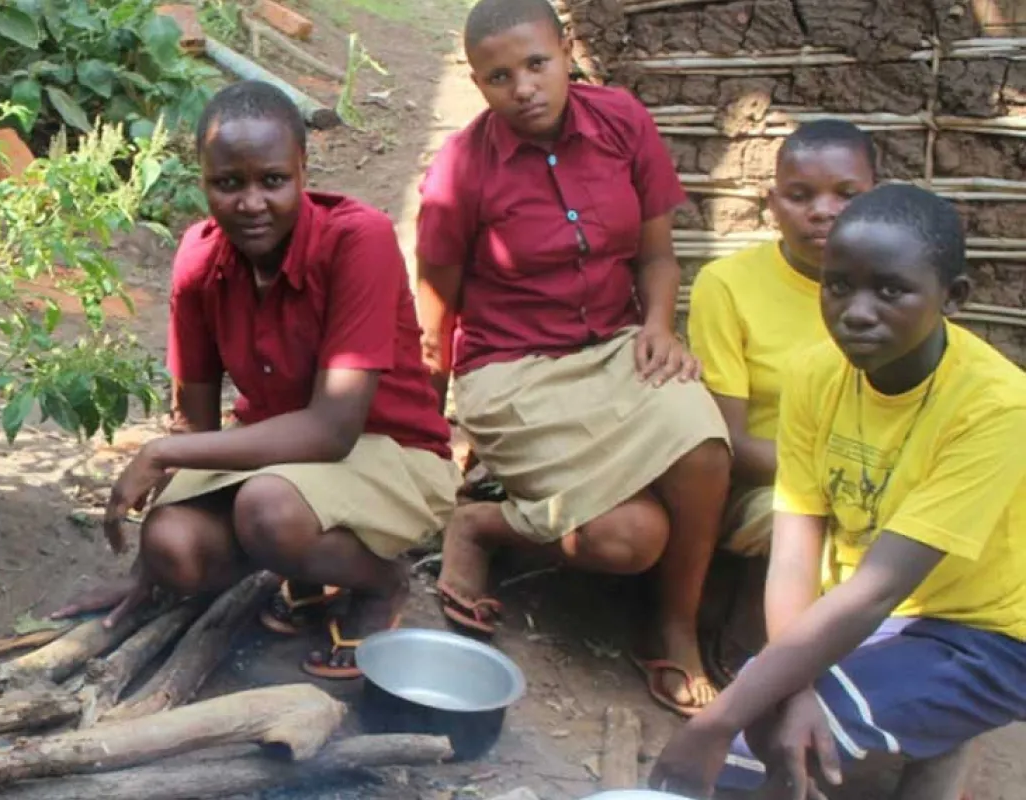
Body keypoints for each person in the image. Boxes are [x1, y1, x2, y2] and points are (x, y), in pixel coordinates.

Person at [50, 81, 460, 679]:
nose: (251, 203)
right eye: (228, 183)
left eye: (272, 180)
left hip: (391, 455)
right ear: (203, 180)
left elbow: (334, 429)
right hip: (277, 462)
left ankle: (378, 581)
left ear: (303, 170)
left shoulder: (358, 241)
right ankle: (302, 567)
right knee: (173, 548)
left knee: (267, 512)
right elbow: (195, 419)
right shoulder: (200, 259)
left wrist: (164, 453)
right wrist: (147, 572)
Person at [650, 184, 1026, 800]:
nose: (855, 311)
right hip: (876, 616)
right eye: (838, 284)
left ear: (952, 298)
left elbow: (879, 590)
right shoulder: (815, 372)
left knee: (744, 757)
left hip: (990, 638)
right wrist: (794, 688)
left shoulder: (997, 409)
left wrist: (717, 722)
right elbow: (796, 551)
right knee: (778, 715)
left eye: (891, 290)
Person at [415, 0, 732, 716]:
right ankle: (482, 523)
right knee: (631, 538)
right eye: (498, 77)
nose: (522, 87)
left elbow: (656, 256)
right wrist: (425, 438)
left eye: (536, 63)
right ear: (477, 83)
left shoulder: (622, 121)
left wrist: (658, 326)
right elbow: (435, 315)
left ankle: (674, 624)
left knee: (707, 449)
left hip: (620, 347)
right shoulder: (462, 169)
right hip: (513, 371)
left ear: (565, 51)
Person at [689, 120, 877, 557]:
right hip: (769, 488)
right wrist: (844, 478)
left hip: (881, 479)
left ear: (877, 199)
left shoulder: (898, 289)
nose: (822, 211)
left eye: (847, 195)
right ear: (772, 203)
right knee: (823, 526)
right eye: (800, 196)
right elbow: (727, 442)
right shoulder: (728, 285)